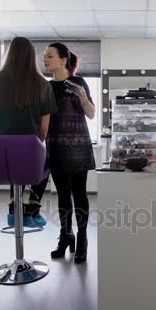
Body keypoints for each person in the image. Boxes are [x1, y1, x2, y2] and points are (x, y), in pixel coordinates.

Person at [0, 37, 57, 228]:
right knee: (47, 159)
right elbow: (44, 131)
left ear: (9, 55)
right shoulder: (42, 84)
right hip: (29, 154)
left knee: (14, 163)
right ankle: (32, 209)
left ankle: (14, 209)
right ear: (32, 56)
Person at [44, 42, 96, 264]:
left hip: (77, 147)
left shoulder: (78, 82)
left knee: (79, 195)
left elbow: (92, 114)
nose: (45, 60)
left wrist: (83, 98)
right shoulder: (45, 87)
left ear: (63, 60)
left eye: (49, 56)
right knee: (62, 196)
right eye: (44, 56)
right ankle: (66, 236)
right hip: (55, 147)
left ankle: (82, 239)